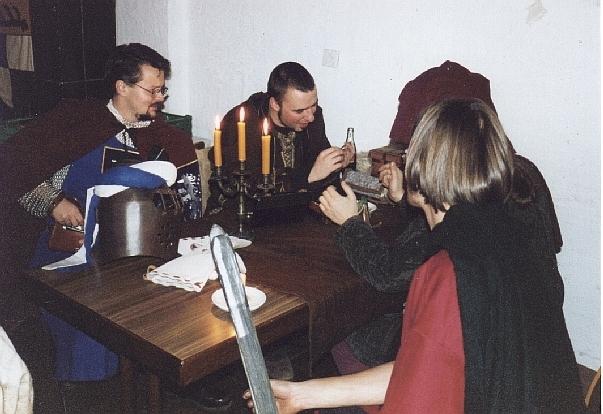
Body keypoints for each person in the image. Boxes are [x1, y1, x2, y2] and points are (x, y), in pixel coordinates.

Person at [245, 99, 584, 413]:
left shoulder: (448, 271)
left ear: (424, 168)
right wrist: (304, 395)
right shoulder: (507, 230)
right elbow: (426, 368)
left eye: (410, 152)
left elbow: (416, 399)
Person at [330, 60, 565, 376]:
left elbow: (389, 273)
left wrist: (350, 223)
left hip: (479, 356)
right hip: (532, 340)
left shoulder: (457, 205)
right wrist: (405, 199)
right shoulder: (522, 171)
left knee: (344, 333)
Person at [0, 43, 200, 383]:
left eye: (163, 90)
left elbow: (185, 201)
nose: (160, 98)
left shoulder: (165, 136)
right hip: (70, 249)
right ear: (122, 87)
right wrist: (53, 202)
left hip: (138, 251)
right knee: (91, 319)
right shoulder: (77, 120)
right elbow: (12, 167)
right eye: (152, 90)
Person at [207, 61, 352, 212]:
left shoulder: (312, 117)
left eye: (313, 105)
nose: (310, 117)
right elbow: (246, 189)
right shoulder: (242, 123)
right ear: (275, 104)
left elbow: (321, 172)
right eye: (299, 111)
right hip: (240, 214)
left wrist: (338, 162)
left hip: (293, 213)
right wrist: (309, 176)